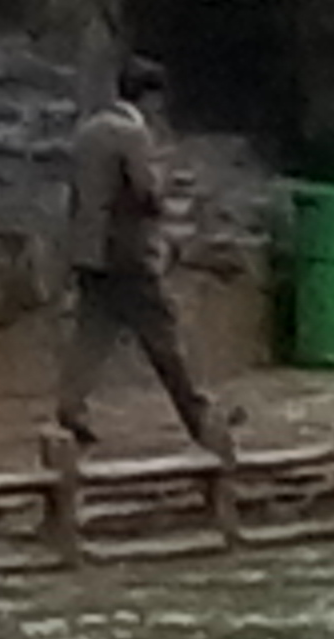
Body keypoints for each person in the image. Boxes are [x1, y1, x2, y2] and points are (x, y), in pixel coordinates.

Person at [55, 56, 234, 455]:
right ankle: (201, 417)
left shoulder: (87, 130)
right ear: (151, 97)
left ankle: (71, 407)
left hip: (89, 251)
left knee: (92, 332)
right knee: (163, 334)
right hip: (127, 254)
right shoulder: (131, 135)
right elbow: (145, 191)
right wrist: (166, 202)